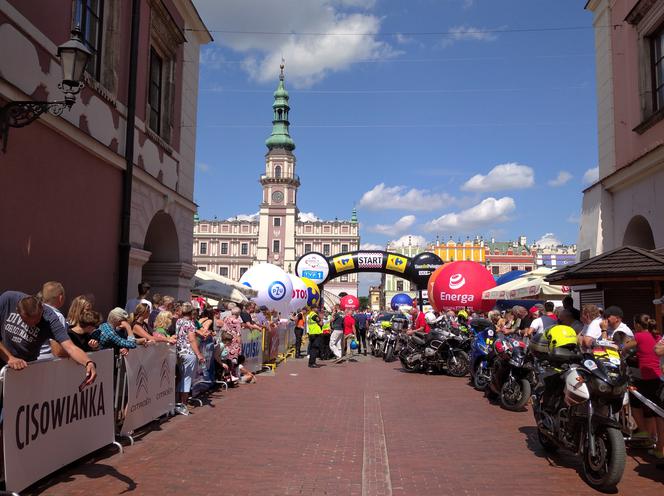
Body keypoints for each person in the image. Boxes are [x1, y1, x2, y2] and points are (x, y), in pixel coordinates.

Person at [0, 291, 97, 386]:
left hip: (24, 367)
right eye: (28, 322)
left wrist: (88, 362)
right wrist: (9, 358)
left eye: (37, 320)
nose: (33, 325)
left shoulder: (50, 318)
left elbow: (70, 347)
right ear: (17, 311)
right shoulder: (7, 300)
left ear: (42, 308)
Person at [623, 314, 663, 453]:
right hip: (658, 376)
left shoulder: (639, 336)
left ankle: (645, 433)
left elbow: (625, 348)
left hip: (647, 376)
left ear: (638, 325)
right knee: (654, 408)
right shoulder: (657, 336)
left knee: (635, 400)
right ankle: (653, 438)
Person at [175, 303, 206, 415]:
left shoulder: (178, 321)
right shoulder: (190, 324)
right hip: (188, 352)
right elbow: (192, 340)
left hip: (179, 352)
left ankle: (178, 402)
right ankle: (182, 404)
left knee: (181, 377)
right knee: (187, 378)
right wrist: (199, 354)